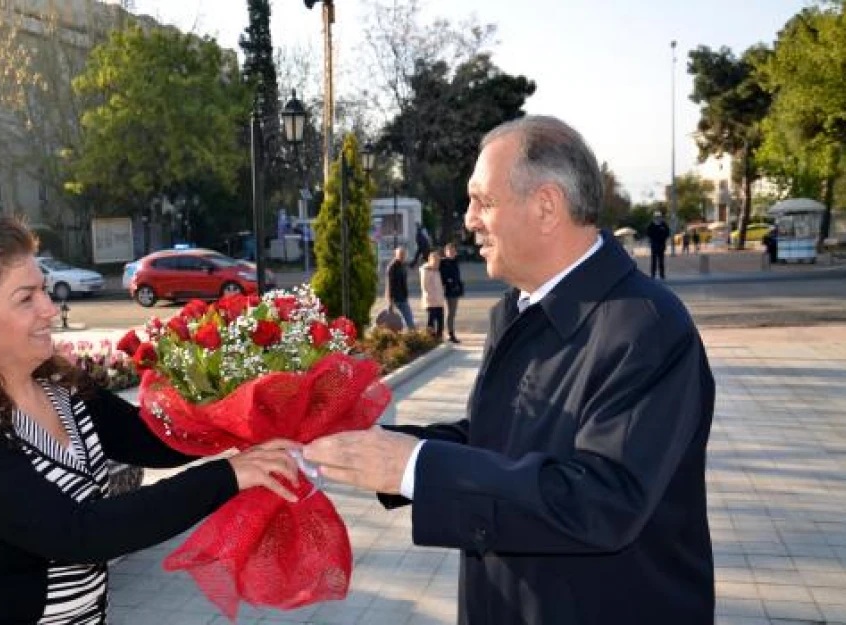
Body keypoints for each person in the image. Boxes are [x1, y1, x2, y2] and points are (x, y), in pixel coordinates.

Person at [305, 116, 716, 625]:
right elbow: (495, 441)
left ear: (546, 206)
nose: (469, 219)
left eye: (484, 201)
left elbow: (602, 501)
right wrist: (363, 447)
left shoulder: (647, 327)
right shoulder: (517, 310)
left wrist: (417, 467)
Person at [0, 217, 299, 624]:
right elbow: (80, 534)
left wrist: (244, 414)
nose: (50, 309)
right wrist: (227, 475)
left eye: (44, 291)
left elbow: (151, 439)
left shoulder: (61, 390)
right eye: (25, 298)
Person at [385, 246, 416, 330]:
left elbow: (404, 282)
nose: (402, 256)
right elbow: (390, 284)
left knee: (409, 321)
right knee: (390, 322)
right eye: (400, 254)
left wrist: (406, 294)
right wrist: (390, 300)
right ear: (395, 255)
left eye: (403, 254)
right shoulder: (392, 267)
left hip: (402, 297)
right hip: (394, 298)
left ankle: (413, 338)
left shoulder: (403, 266)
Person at [438, 242, 464, 343]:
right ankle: (450, 333)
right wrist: (448, 281)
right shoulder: (443, 262)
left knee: (452, 313)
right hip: (447, 291)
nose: (452, 253)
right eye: (450, 251)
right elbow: (439, 275)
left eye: (454, 251)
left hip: (455, 291)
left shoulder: (455, 261)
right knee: (450, 313)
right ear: (446, 252)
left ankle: (450, 332)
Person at [419, 250, 445, 338]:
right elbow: (425, 286)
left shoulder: (436, 270)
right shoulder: (426, 270)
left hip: (439, 300)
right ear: (430, 260)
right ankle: (430, 337)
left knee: (440, 321)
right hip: (431, 301)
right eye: (436, 260)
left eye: (438, 261)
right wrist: (430, 297)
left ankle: (439, 336)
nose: (438, 262)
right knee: (431, 321)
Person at [646, 211, 671, 279]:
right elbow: (648, 233)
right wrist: (652, 240)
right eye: (656, 217)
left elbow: (667, 233)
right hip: (654, 245)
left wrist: (663, 238)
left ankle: (662, 274)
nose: (657, 218)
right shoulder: (651, 225)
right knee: (653, 261)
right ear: (654, 217)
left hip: (661, 245)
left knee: (661, 261)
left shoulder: (664, 224)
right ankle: (653, 274)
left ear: (660, 217)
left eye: (659, 217)